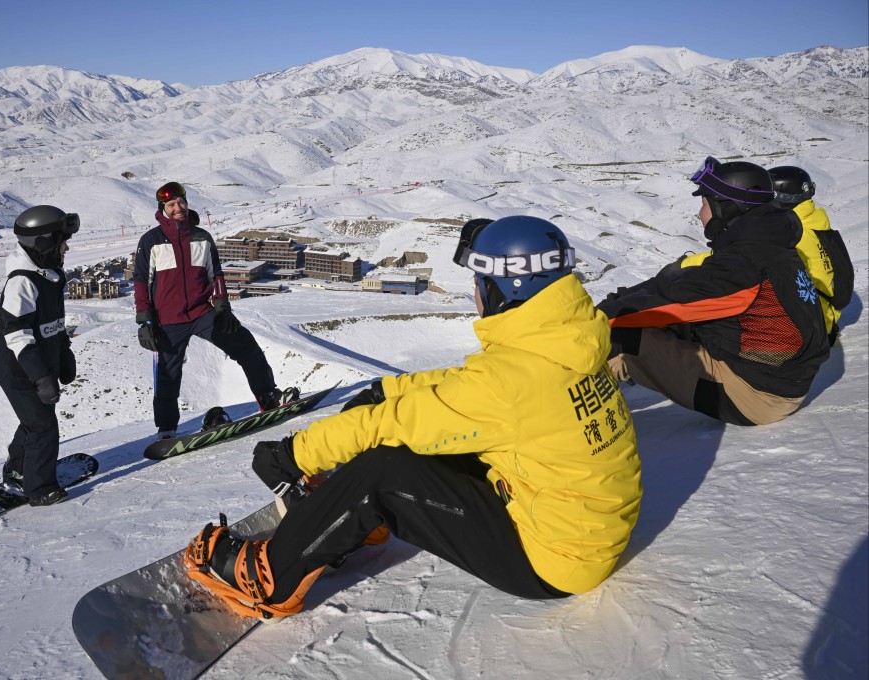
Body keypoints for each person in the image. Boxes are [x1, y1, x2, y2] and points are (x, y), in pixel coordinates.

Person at [182, 216, 643, 619]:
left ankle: (268, 580)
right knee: (429, 439)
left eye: (480, 283)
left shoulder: (512, 382)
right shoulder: (569, 343)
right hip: (583, 530)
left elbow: (399, 423)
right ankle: (350, 519)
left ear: (506, 287)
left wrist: (294, 453)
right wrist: (388, 388)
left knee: (384, 468)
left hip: (550, 560)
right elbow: (467, 386)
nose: (476, 294)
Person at [597, 157, 830, 426]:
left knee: (614, 340)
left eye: (704, 203)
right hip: (780, 378)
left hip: (755, 397)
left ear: (726, 207)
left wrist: (595, 318)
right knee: (666, 326)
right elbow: (684, 287)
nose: (699, 213)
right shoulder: (768, 245)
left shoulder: (743, 265)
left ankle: (584, 425)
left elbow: (668, 301)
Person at [133, 181, 295, 440]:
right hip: (168, 320)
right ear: (162, 208)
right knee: (167, 374)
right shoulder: (151, 241)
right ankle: (166, 429)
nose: (178, 208)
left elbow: (215, 274)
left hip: (202, 313)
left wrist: (222, 305)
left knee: (245, 345)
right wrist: (145, 320)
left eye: (181, 202)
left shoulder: (201, 237)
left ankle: (269, 397)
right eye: (171, 204)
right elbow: (141, 280)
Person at [676, 165, 853, 346]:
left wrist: (686, 264)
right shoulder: (814, 225)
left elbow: (745, 260)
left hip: (803, 332)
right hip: (822, 321)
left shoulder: (789, 234)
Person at [0, 205, 80, 506]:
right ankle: (39, 489)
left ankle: (17, 471)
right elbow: (16, 334)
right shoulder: (22, 282)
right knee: (43, 426)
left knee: (34, 422)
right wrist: (41, 375)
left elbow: (53, 323)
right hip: (19, 371)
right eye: (61, 241)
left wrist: (64, 353)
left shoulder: (50, 275)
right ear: (43, 243)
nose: (66, 247)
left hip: (38, 365)